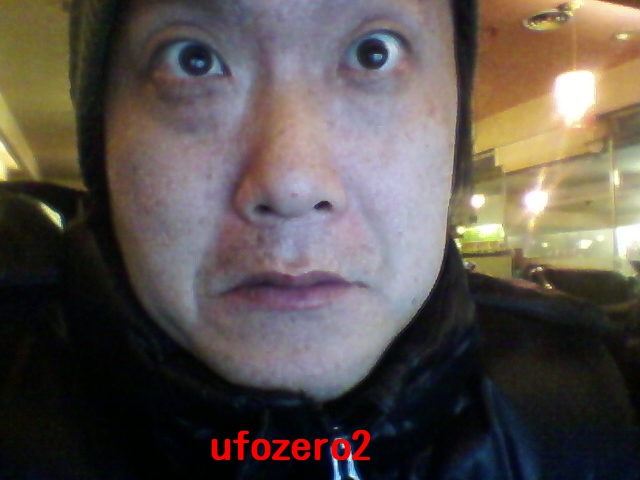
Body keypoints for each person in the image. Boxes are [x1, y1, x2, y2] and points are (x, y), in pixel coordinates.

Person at [0, 0, 638, 478]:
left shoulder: (602, 413)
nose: (291, 183)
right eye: (193, 60)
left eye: (373, 53)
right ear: (103, 143)